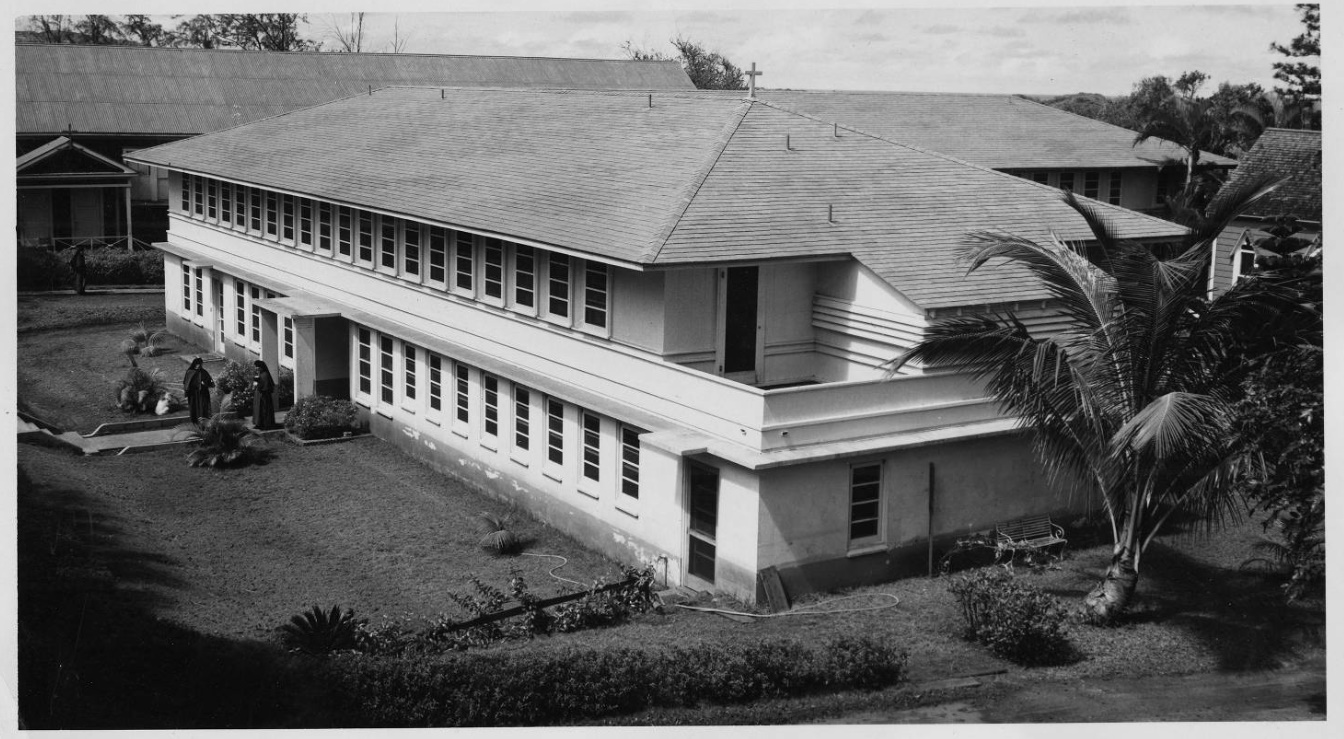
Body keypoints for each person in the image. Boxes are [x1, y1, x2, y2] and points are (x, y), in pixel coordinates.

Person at [183, 357, 214, 424]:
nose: (199, 365)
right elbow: (186, 382)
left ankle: (204, 422)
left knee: (202, 407)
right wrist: (187, 391)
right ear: (194, 364)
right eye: (197, 364)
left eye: (200, 364)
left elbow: (210, 382)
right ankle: (194, 422)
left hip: (202, 394)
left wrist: (204, 383)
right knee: (194, 408)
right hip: (193, 394)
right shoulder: (189, 372)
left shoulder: (204, 372)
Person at [252, 360, 277, 430]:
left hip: (263, 396)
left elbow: (265, 386)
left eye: (257, 367)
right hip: (258, 395)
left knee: (264, 410)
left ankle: (265, 424)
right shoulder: (260, 373)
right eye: (256, 367)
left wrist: (257, 384)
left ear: (261, 367)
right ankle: (258, 423)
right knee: (258, 410)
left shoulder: (265, 375)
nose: (256, 368)